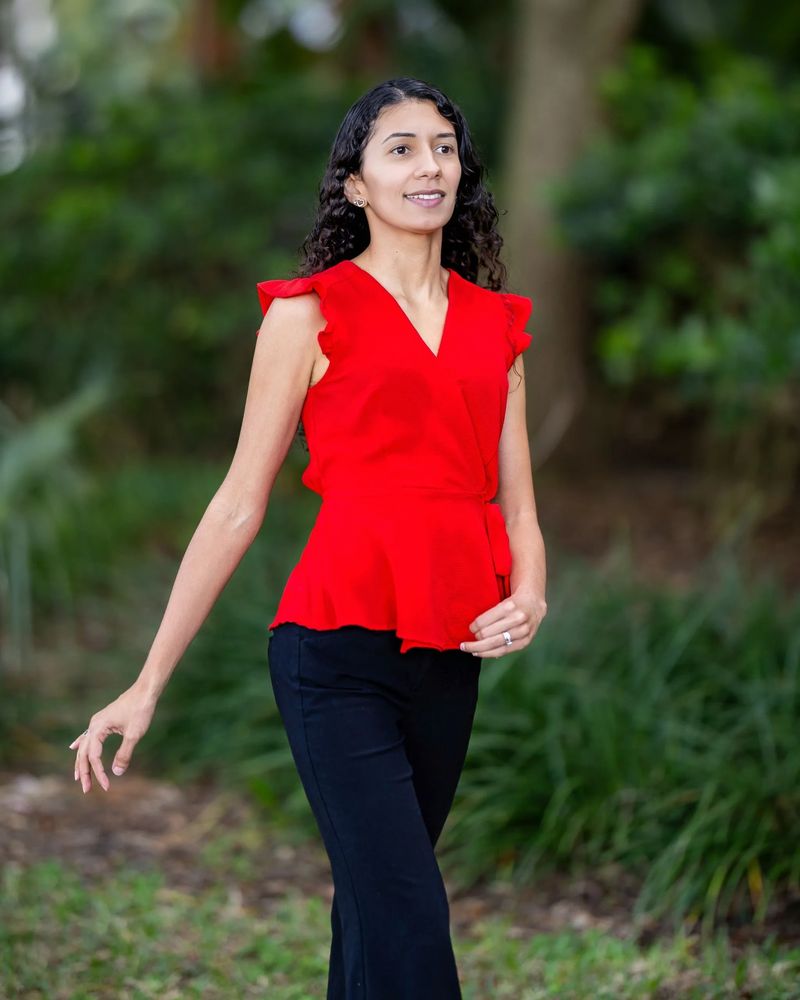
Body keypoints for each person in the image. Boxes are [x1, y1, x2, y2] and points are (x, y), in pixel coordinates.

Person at [68, 76, 548, 999]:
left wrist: (528, 593)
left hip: (449, 650)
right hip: (332, 653)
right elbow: (238, 503)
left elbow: (520, 509)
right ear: (356, 186)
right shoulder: (307, 314)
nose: (429, 164)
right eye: (400, 148)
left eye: (443, 146)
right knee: (409, 912)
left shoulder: (498, 328)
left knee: (372, 912)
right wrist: (147, 681)